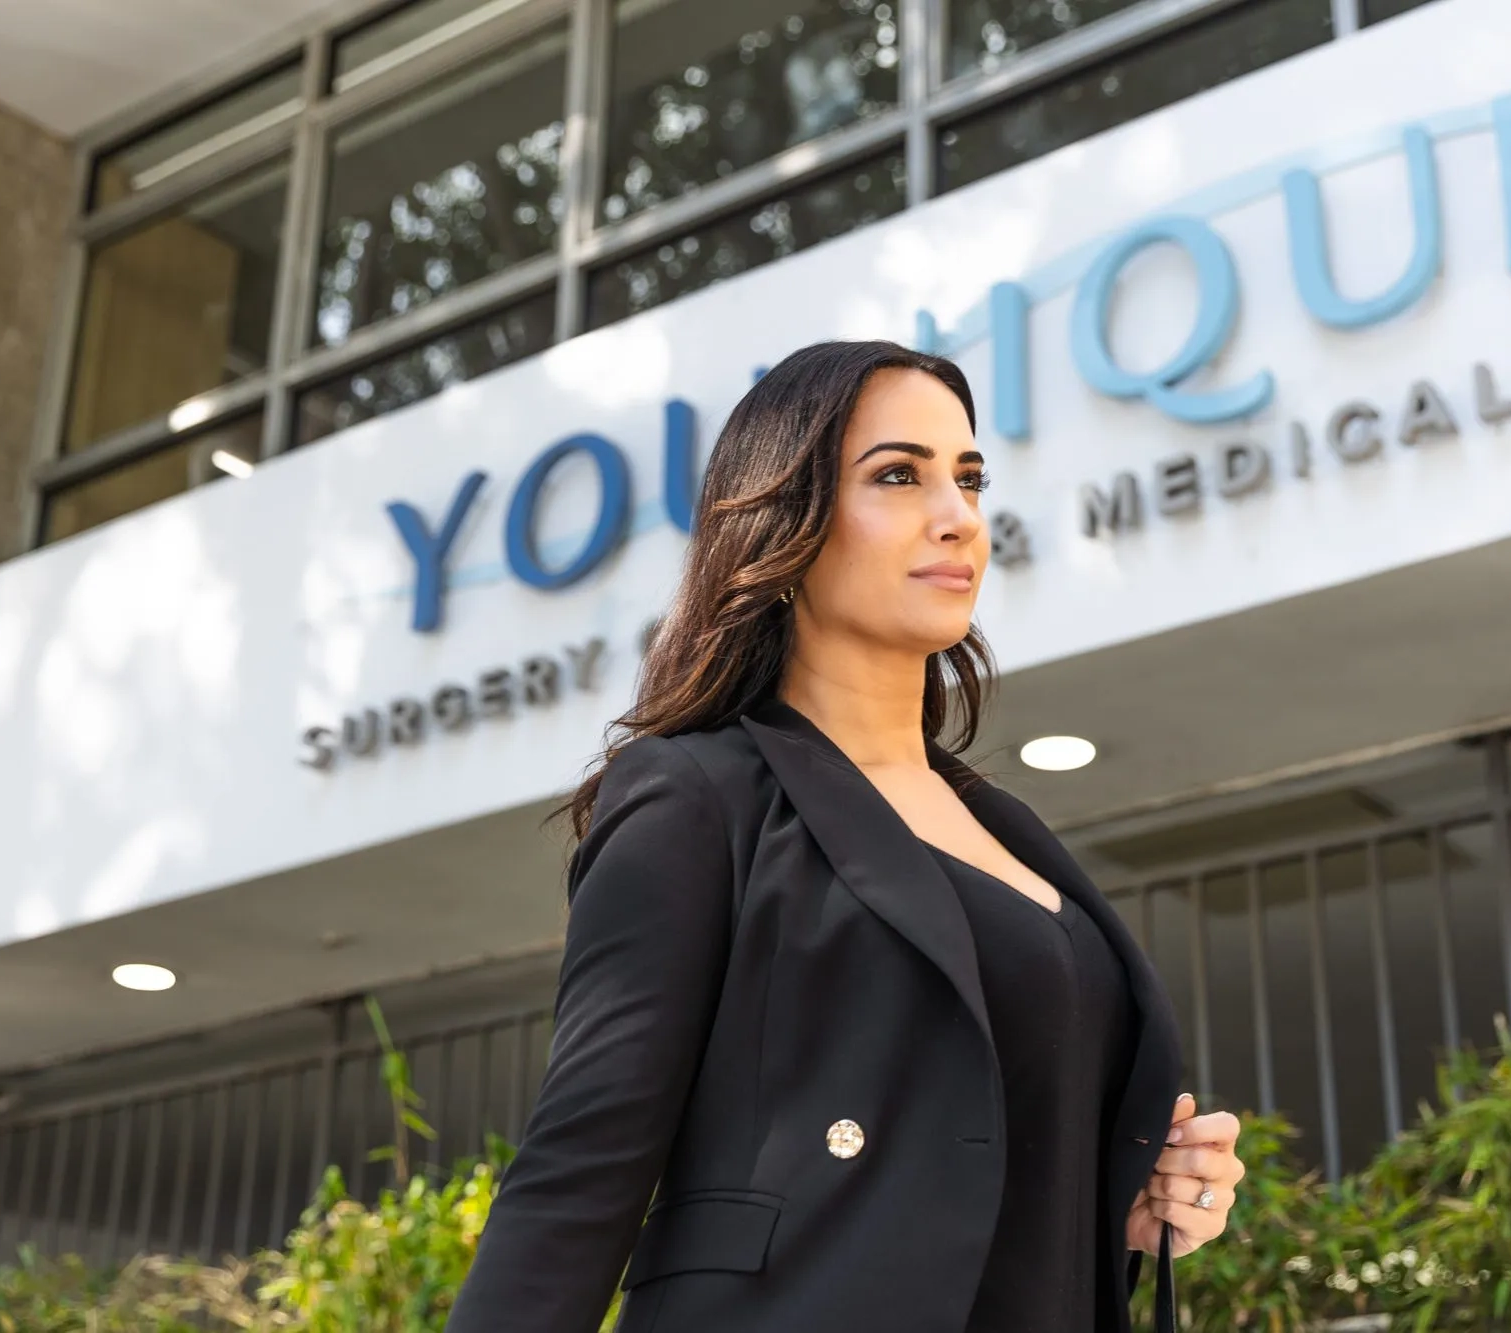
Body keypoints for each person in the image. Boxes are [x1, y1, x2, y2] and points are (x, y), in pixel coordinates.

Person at [446, 340, 1247, 1333]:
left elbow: (971, 1160)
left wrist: (1114, 1207)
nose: (955, 516)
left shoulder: (1008, 831)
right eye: (897, 476)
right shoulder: (697, 797)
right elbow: (576, 1175)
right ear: (789, 524)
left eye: (968, 478)